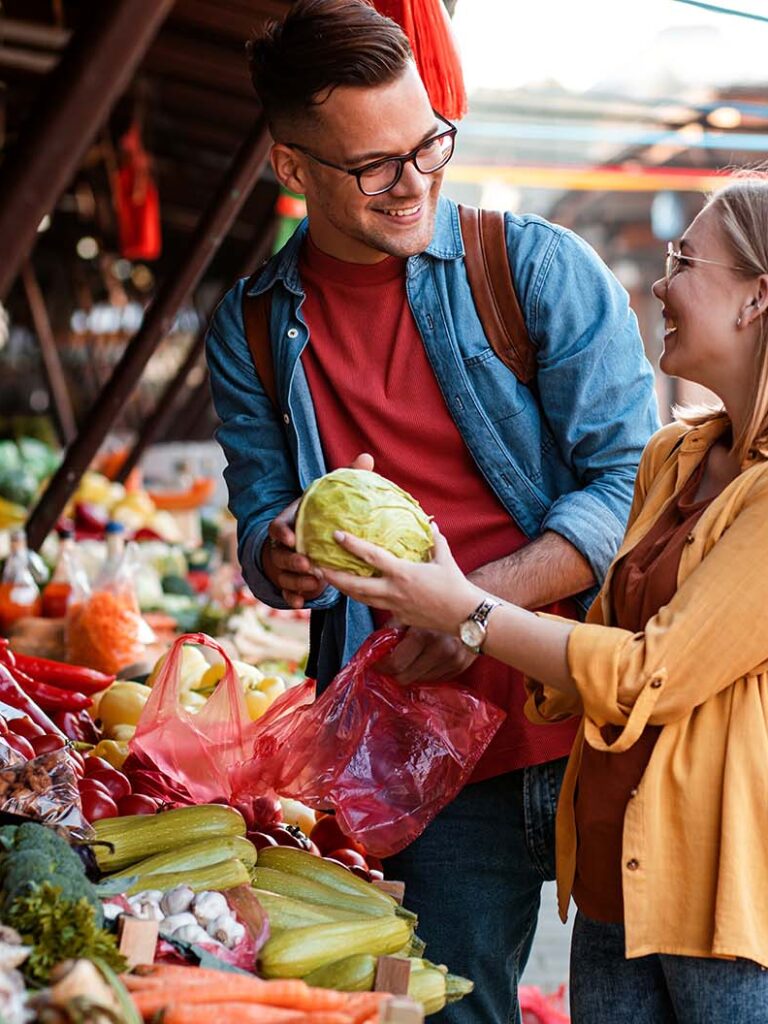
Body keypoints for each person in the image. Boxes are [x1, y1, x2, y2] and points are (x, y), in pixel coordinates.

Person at [205, 1, 658, 1019]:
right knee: (454, 1010)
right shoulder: (250, 326)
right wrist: (278, 551)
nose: (416, 183)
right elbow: (258, 514)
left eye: (429, 144)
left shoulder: (535, 271)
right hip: (429, 759)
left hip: (608, 721)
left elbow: (631, 488)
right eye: (375, 166)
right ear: (292, 170)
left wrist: (467, 606)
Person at [321, 174, 768, 1023]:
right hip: (609, 868)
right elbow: (599, 638)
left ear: (757, 298)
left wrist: (466, 611)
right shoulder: (671, 460)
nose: (663, 283)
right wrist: (454, 634)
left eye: (684, 261)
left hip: (719, 885)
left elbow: (647, 673)